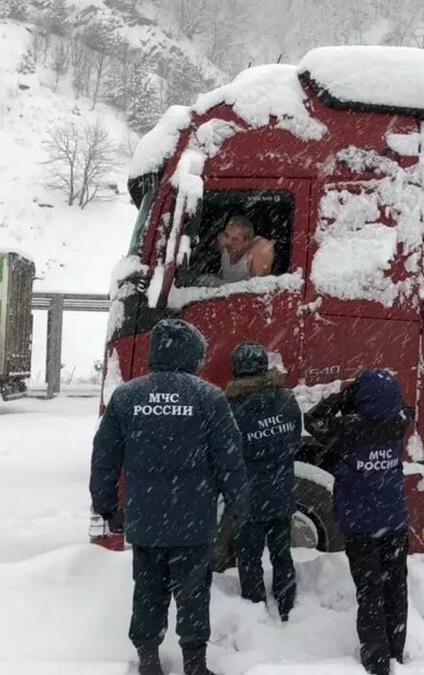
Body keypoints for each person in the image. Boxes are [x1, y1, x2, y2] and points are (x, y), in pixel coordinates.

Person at [90, 318, 250, 675]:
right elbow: (229, 459)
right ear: (193, 354)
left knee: (148, 589)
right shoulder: (209, 398)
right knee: (193, 591)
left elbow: (104, 458)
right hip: (193, 517)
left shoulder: (128, 396)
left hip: (145, 517)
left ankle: (149, 659)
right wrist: (238, 506)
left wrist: (105, 506)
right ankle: (195, 663)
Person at [304, 370, 413, 675]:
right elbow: (404, 407)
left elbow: (312, 420)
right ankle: (396, 651)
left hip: (361, 525)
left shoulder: (347, 427)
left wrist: (342, 396)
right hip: (394, 521)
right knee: (396, 587)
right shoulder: (400, 422)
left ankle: (377, 660)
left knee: (370, 592)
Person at [225, 341, 302, 621]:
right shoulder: (286, 399)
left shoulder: (230, 407)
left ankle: (255, 609)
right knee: (282, 555)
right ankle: (287, 606)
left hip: (248, 498)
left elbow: (228, 453)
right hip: (281, 491)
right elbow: (294, 440)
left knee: (249, 558)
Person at [215, 215, 275, 283]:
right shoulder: (222, 241)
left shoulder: (256, 252)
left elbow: (257, 287)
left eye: (235, 239)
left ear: (247, 242)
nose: (228, 242)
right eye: (227, 235)